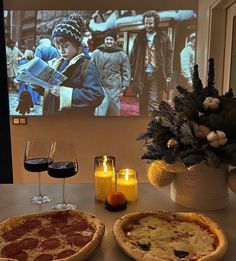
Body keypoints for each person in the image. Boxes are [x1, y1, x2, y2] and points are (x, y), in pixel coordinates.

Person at [35, 14, 104, 116]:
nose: (62, 51)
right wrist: (36, 82)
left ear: (76, 44)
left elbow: (97, 95)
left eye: (65, 46)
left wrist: (64, 93)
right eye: (58, 47)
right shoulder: (57, 63)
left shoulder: (86, 65)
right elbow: (50, 90)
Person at [130, 10, 173, 115]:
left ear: (156, 23)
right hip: (141, 74)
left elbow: (169, 55)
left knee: (153, 101)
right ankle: (142, 122)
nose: (147, 25)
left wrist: (168, 73)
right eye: (146, 23)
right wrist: (132, 73)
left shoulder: (163, 36)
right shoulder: (139, 37)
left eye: (150, 23)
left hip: (156, 74)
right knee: (142, 100)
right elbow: (133, 56)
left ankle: (153, 123)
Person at [92, 30, 131, 116]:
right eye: (107, 39)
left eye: (111, 39)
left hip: (114, 84)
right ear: (104, 40)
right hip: (100, 83)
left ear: (115, 41)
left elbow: (126, 70)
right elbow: (91, 67)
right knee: (100, 105)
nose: (109, 41)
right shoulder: (97, 52)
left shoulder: (121, 54)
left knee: (113, 105)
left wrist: (125, 82)